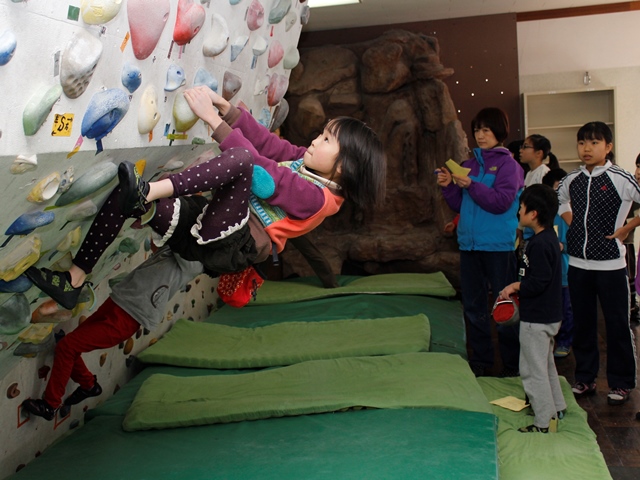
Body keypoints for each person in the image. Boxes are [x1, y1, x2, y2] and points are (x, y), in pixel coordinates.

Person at [26, 86, 386, 309]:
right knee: (124, 193)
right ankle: (74, 279)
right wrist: (226, 108)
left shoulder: (317, 198)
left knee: (243, 161)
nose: (315, 139)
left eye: (326, 140)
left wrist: (214, 121)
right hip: (209, 221)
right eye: (321, 133)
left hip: (231, 243)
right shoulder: (305, 163)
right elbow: (268, 144)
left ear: (344, 169)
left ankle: (146, 193)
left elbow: (262, 174)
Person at [21, 246, 204, 420]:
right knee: (70, 346)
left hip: (128, 317)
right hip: (119, 301)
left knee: (67, 347)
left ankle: (51, 405)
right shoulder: (185, 249)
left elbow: (180, 239)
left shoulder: (195, 263)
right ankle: (89, 386)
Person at [436, 107, 524, 377]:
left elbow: (500, 203)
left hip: (498, 247)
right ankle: (481, 363)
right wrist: (449, 185)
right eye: (477, 130)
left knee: (505, 307)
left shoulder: (510, 166)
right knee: (474, 307)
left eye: (486, 129)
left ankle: (512, 366)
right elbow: (459, 206)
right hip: (470, 246)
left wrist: (471, 185)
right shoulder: (470, 163)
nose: (481, 135)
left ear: (499, 131)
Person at [556, 121, 640, 406]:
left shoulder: (620, 177)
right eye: (582, 143)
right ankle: (585, 377)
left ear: (608, 146)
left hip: (612, 266)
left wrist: (629, 226)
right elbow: (561, 203)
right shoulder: (572, 179)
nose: (587, 148)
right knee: (583, 323)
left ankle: (622, 383)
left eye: (593, 142)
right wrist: (575, 225)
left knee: (617, 325)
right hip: (578, 265)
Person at [498, 184, 566, 433]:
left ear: (534, 213)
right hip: (548, 316)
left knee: (531, 370)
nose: (519, 212)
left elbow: (538, 282)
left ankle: (544, 422)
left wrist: (515, 286)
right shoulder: (549, 239)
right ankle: (557, 407)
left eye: (522, 207)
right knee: (546, 365)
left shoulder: (539, 244)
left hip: (536, 319)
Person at [541, 168, 573, 357]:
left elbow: (575, 242)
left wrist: (562, 246)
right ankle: (549, 341)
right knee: (549, 309)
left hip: (565, 273)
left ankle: (565, 342)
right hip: (546, 274)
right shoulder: (543, 214)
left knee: (567, 309)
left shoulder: (568, 214)